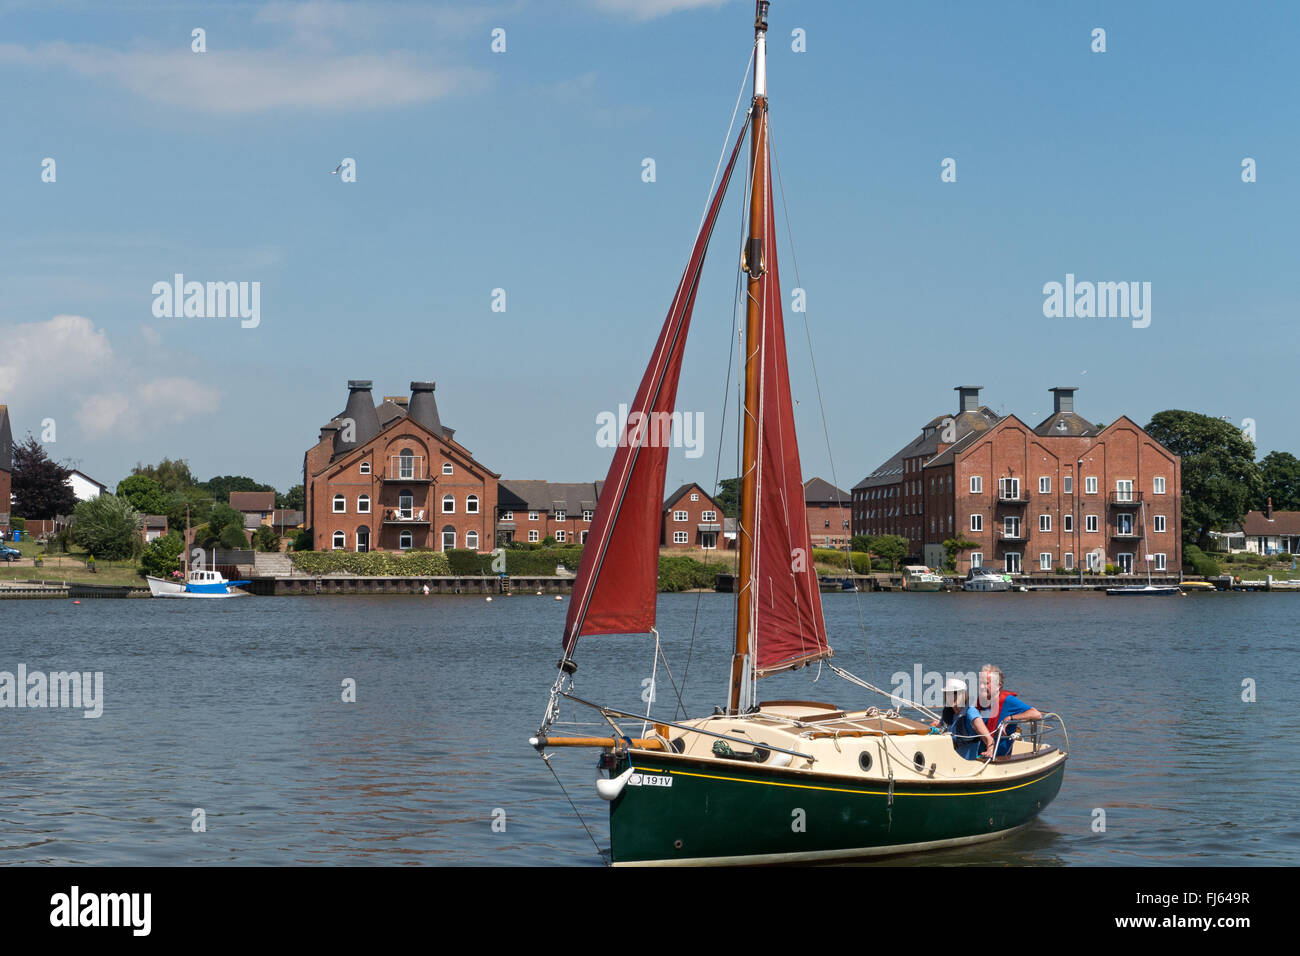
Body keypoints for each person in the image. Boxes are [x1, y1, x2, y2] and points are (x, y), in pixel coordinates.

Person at [978, 664, 1043, 757]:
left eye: (986, 683)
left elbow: (1036, 714)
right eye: (981, 683)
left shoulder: (1008, 701)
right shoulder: (980, 702)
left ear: (998, 685)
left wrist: (1011, 718)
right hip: (979, 754)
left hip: (1000, 757)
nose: (982, 686)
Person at [931, 677, 994, 760]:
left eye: (955, 693)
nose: (951, 696)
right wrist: (935, 726)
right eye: (948, 693)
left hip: (967, 762)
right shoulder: (948, 712)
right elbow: (941, 727)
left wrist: (989, 751)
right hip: (951, 759)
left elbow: (989, 739)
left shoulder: (971, 712)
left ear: (963, 694)